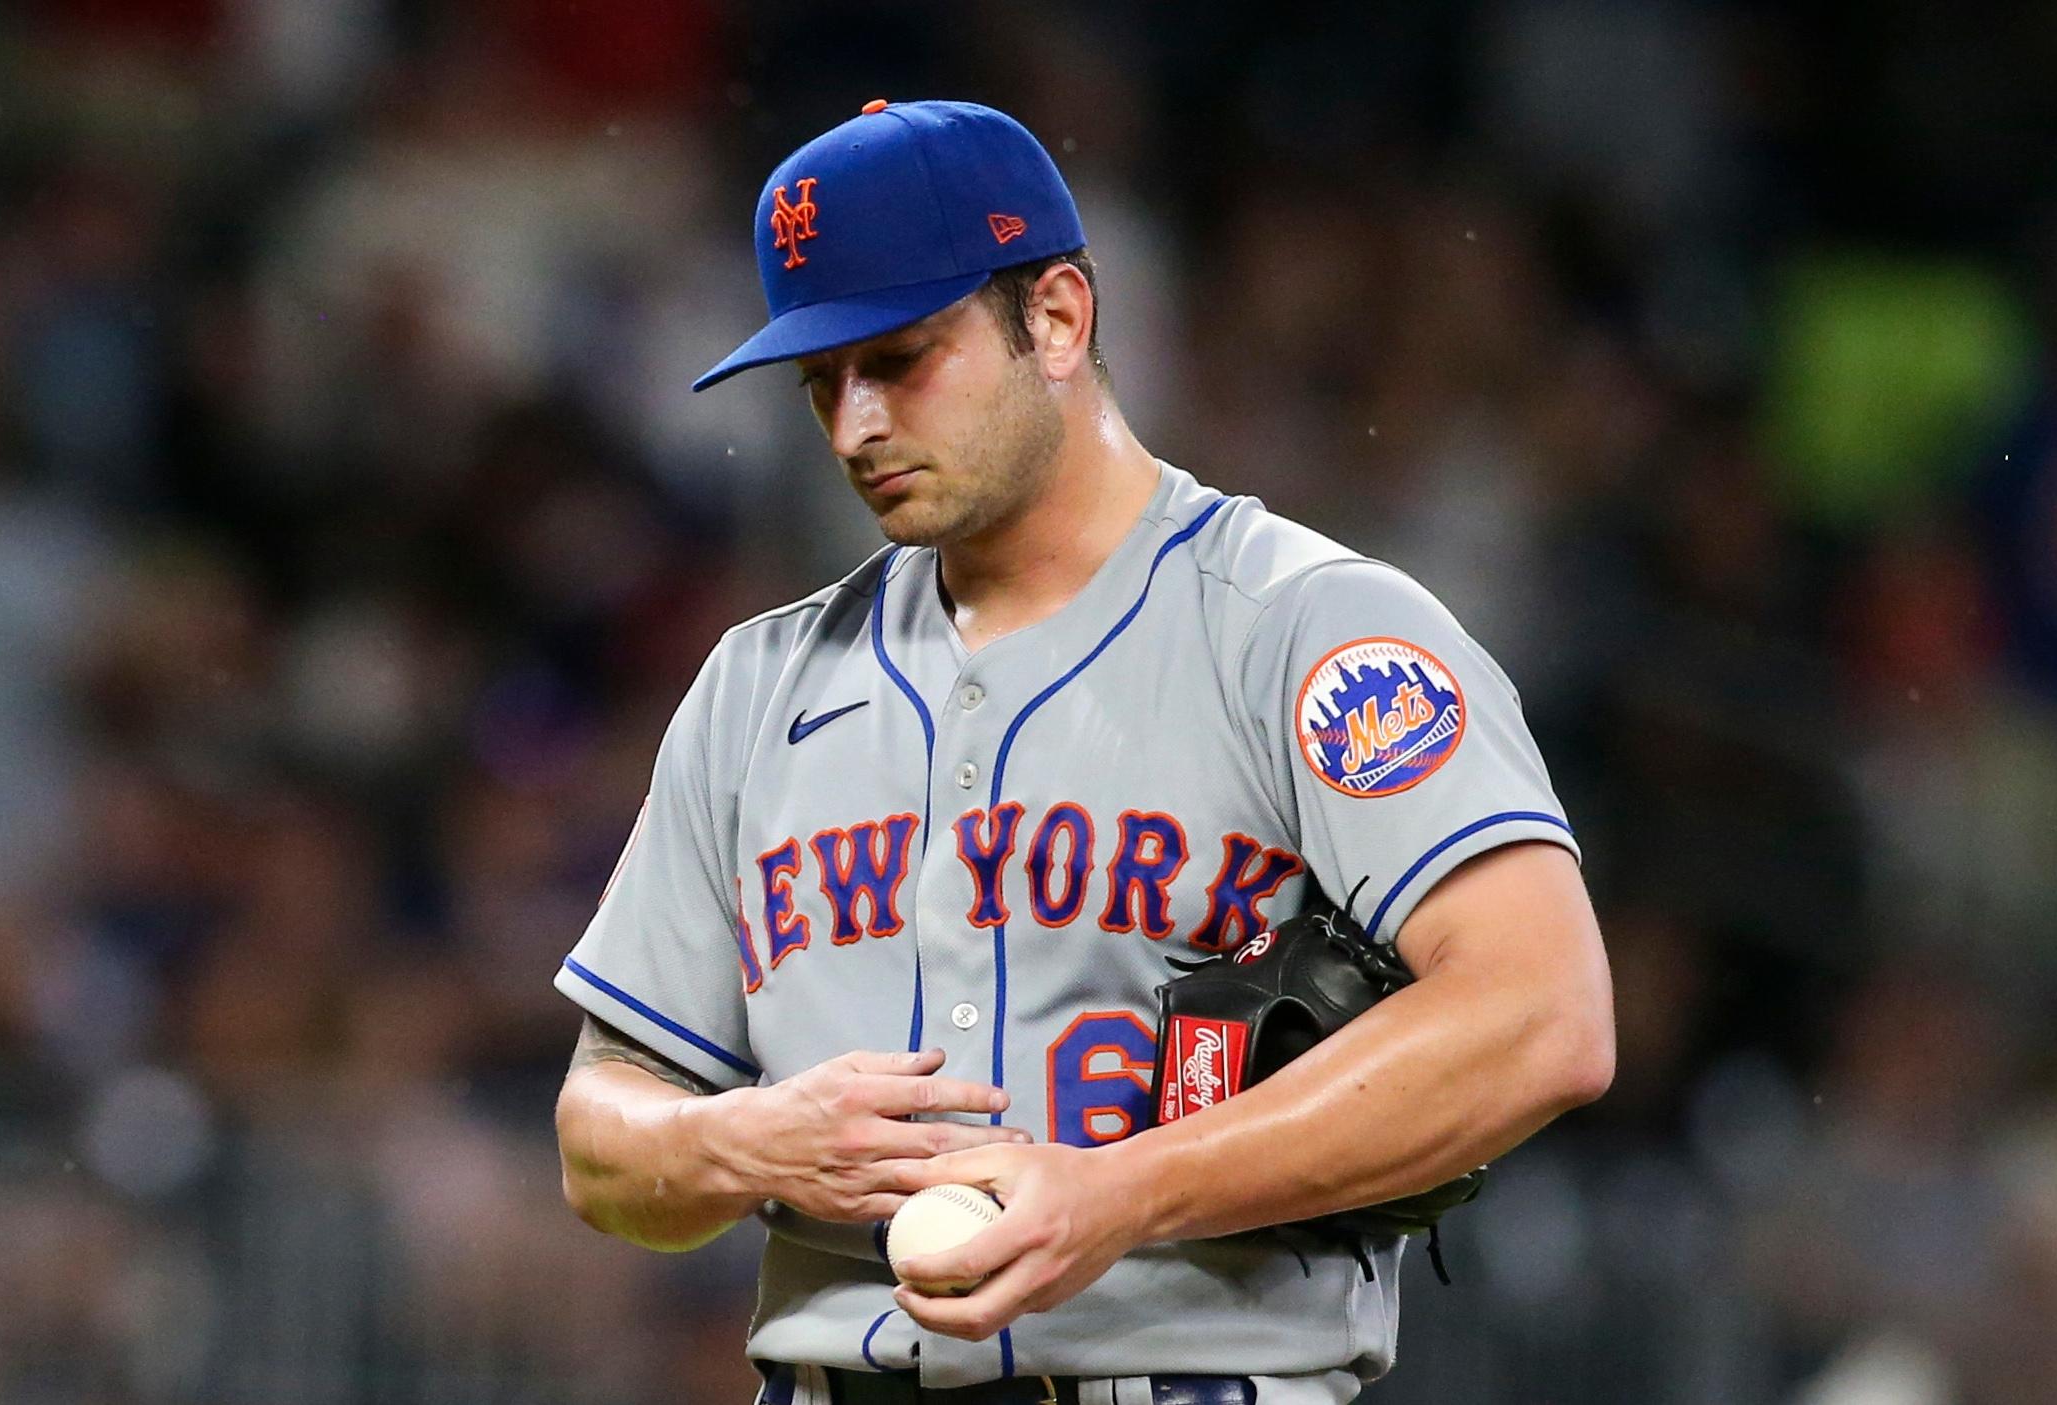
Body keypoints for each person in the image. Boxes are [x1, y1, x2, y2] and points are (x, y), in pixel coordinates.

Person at [552, 98, 1615, 1405]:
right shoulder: (754, 686)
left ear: (1055, 317)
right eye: (821, 380)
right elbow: (601, 1138)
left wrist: (1125, 1190)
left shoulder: (1302, 630)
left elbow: (1542, 1014)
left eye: (896, 358)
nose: (851, 428)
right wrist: (736, 1139)